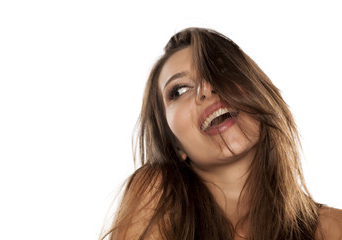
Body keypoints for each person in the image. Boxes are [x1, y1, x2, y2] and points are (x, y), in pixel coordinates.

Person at [101, 28, 342, 239]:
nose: (206, 89)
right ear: (175, 145)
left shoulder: (333, 228)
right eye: (180, 90)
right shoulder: (154, 195)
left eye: (221, 69)